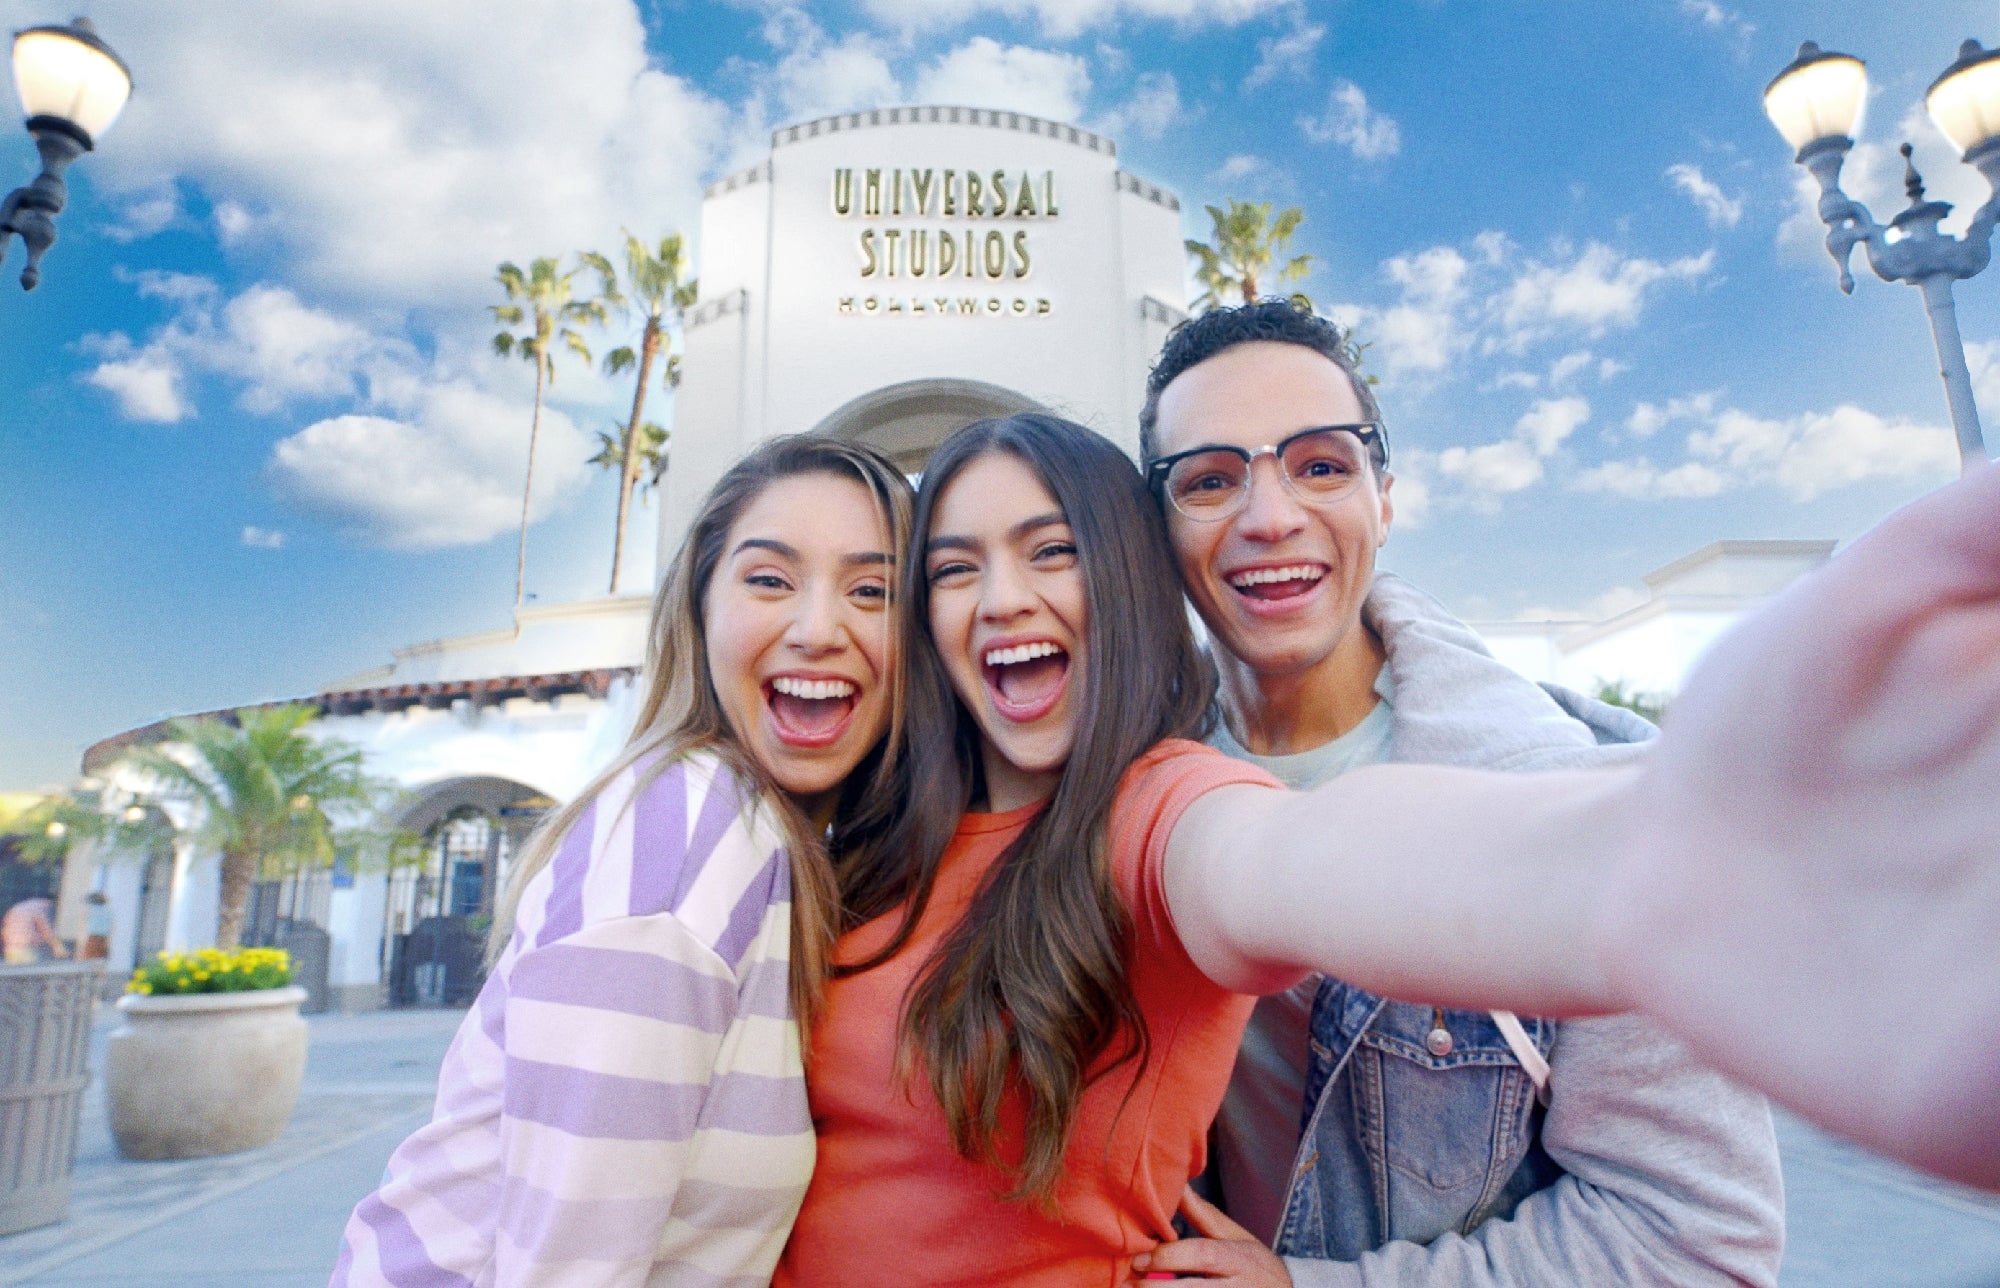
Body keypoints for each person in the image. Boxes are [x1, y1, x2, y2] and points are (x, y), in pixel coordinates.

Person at [778, 411, 2000, 1287]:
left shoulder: (1158, 811)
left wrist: (1668, 859)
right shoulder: (871, 833)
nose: (999, 599)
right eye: (953, 568)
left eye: (1051, 553)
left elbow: (1307, 855)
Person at [1136, 301, 1783, 1285]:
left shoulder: (1578, 802)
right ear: (1156, 529)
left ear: (1382, 498)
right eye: (1210, 479)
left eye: (1320, 465)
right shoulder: (1118, 784)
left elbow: (1694, 1240)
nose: (1268, 517)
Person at [332, 436, 914, 1287]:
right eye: (769, 580)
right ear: (701, 610)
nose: (818, 629)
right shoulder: (688, 827)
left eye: (873, 591)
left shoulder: (774, 847)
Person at [1, 895, 67, 964]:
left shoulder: (17, 908)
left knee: (15, 973)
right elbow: (45, 929)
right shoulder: (43, 907)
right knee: (33, 972)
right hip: (27, 949)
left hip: (11, 949)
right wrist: (57, 947)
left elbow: (4, 929)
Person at [81, 890, 112, 960]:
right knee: (101, 959)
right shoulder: (107, 910)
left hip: (94, 936)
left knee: (90, 958)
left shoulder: (93, 909)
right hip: (104, 937)